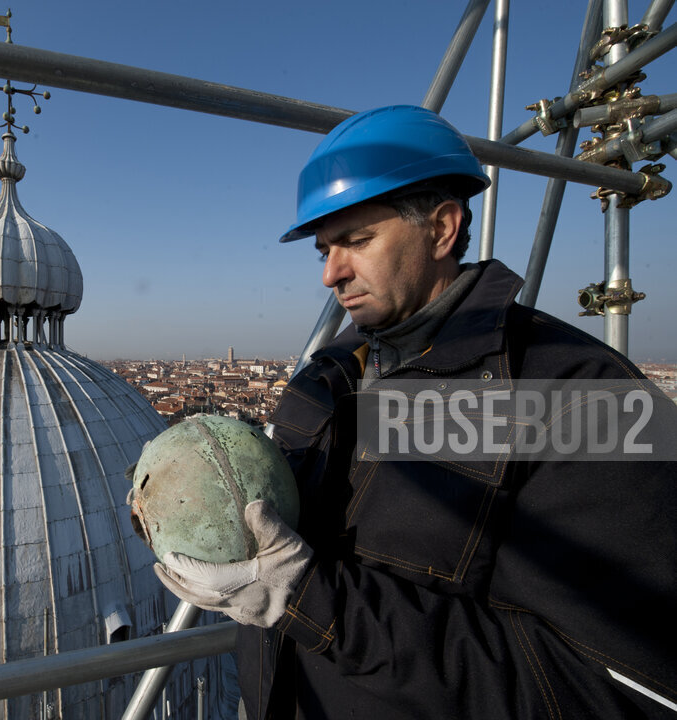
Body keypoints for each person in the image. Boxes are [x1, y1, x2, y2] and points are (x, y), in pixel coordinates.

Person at [154, 105, 677, 719]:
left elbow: (622, 692)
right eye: (323, 250)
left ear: (442, 229)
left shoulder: (581, 396)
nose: (331, 274)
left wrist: (310, 599)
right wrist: (187, 510)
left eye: (357, 241)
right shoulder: (327, 377)